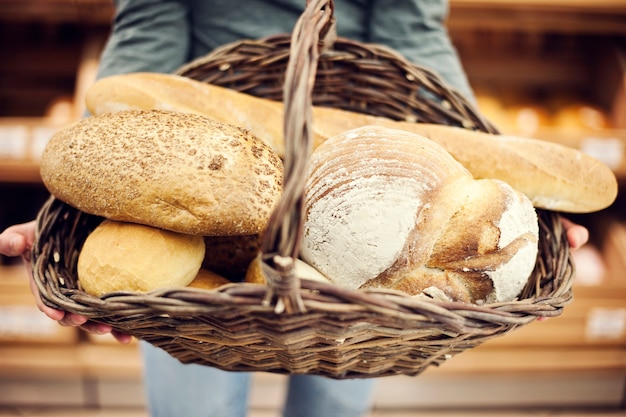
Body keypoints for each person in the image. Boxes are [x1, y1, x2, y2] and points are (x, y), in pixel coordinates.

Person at [0, 1, 591, 416]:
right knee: (194, 404)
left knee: (338, 391)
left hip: (370, 168)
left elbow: (412, 30)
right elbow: (147, 23)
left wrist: (512, 208)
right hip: (201, 133)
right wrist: (77, 201)